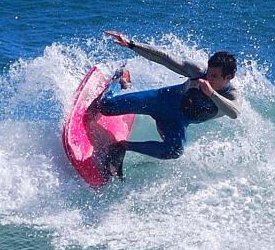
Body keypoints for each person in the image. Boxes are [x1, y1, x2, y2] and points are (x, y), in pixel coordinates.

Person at [99, 30, 241, 166]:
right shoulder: (198, 72)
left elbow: (234, 113)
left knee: (174, 151)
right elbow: (164, 58)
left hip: (176, 121)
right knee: (105, 107)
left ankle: (122, 147)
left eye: (215, 76)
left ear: (229, 77)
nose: (208, 78)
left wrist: (212, 94)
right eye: (209, 73)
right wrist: (131, 44)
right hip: (160, 101)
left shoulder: (230, 95)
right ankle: (121, 79)